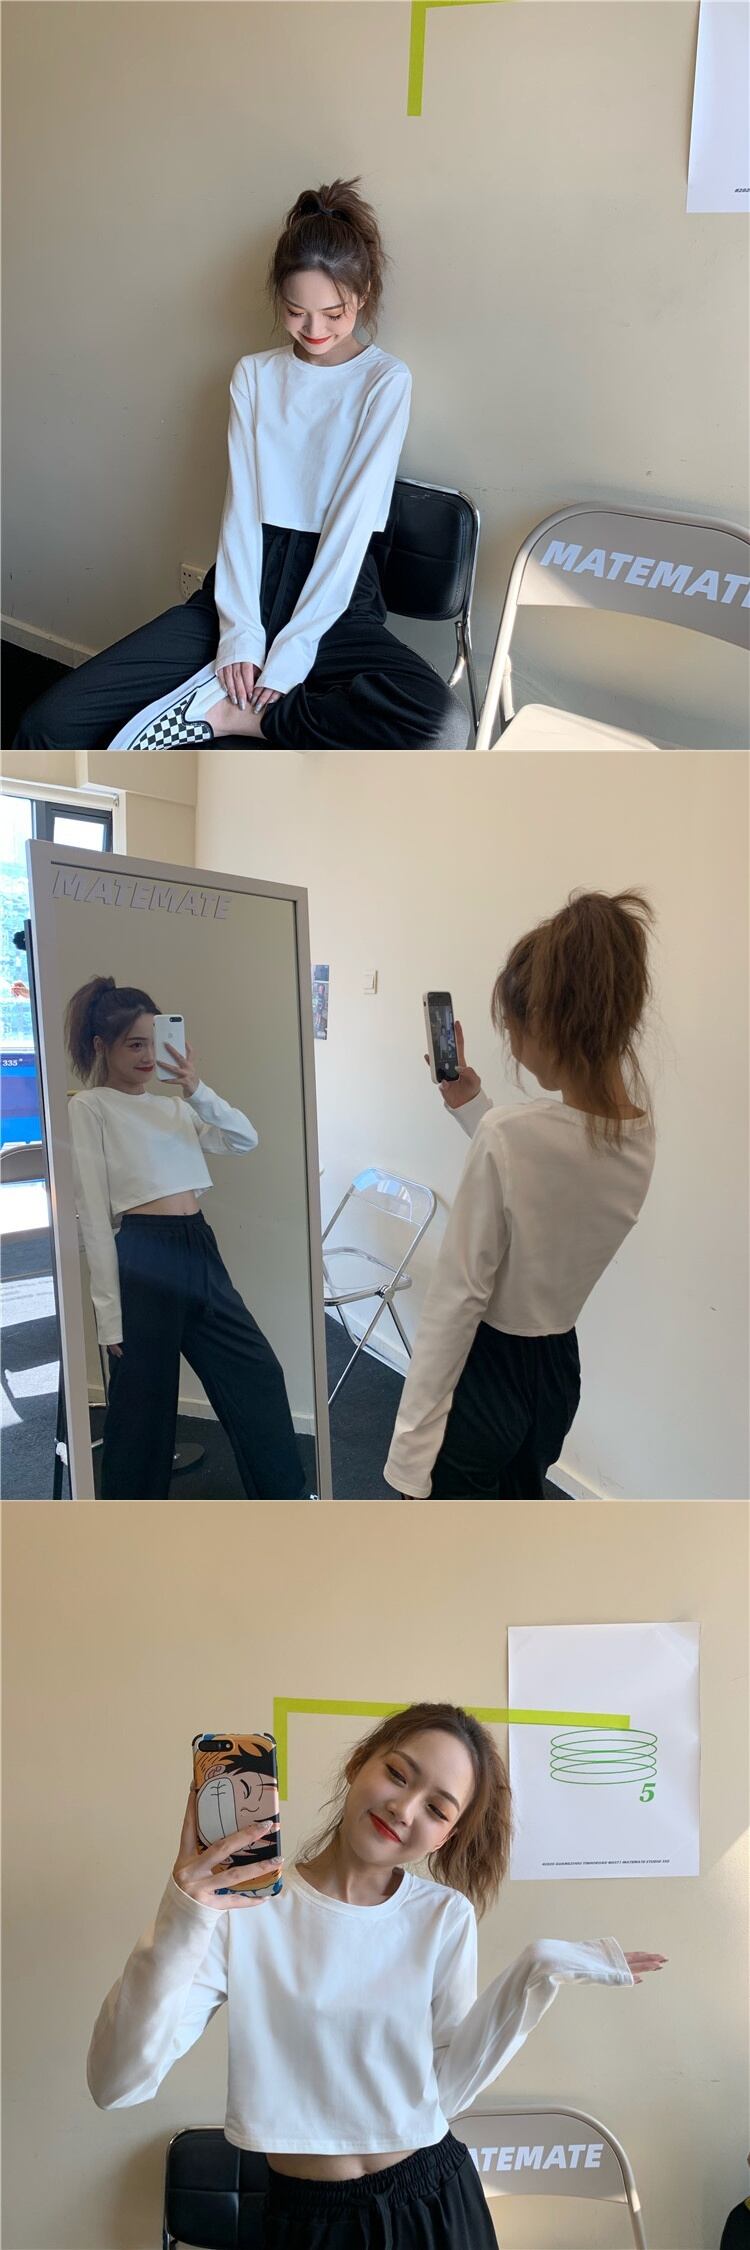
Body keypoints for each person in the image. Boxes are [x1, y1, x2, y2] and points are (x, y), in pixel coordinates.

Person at [87, 1701, 666, 2249]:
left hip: (435, 2200)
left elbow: (444, 2095)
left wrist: (536, 1971)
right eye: (397, 1774)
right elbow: (118, 2083)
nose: (404, 1809)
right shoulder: (243, 1911)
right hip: (306, 2220)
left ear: (447, 1835)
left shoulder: (443, 1916)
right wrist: (187, 1912)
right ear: (357, 1763)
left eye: (437, 1809)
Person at [15, 179, 469, 753]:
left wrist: (294, 650)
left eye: (334, 312)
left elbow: (351, 526)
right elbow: (242, 512)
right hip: (244, 580)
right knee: (47, 726)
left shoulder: (384, 381)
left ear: (364, 294)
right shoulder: (254, 375)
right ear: (278, 298)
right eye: (296, 312)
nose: (315, 331)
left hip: (335, 593)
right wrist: (241, 634)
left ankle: (238, 719)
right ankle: (201, 701)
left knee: (441, 728)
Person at [384, 890, 657, 1500]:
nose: (512, 1045)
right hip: (556, 1373)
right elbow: (550, 1175)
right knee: (519, 1516)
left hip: (486, 1373)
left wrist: (406, 1462)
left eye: (512, 1028)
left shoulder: (511, 1136)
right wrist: (473, 1108)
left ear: (547, 1024)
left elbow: (456, 1301)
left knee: (451, 1538)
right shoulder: (638, 1134)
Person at [65, 975, 306, 1500]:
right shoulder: (90, 1106)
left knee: (258, 1375)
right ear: (101, 1046)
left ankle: (286, 1505)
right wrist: (109, 1315)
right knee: (142, 1408)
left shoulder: (175, 1107)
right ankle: (132, 1525)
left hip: (198, 1247)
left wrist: (196, 1088)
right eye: (134, 1044)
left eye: (155, 1043)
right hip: (143, 1255)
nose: (149, 1056)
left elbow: (243, 1138)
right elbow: (93, 1219)